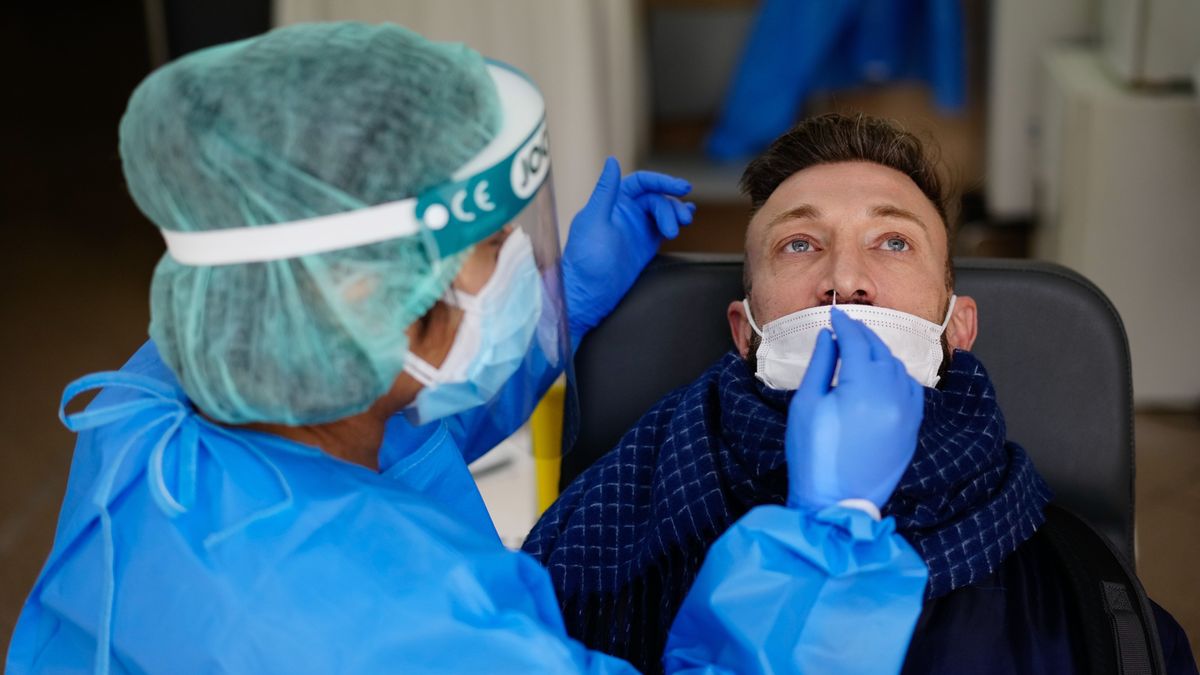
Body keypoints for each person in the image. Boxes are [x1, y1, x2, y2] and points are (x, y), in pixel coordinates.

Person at [9, 24, 936, 674]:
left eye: (893, 240)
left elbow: (386, 423)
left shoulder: (180, 393)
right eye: (500, 246)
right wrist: (830, 534)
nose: (845, 280)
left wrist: (560, 309)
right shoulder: (394, 632)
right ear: (373, 294)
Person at [524, 113, 1199, 675]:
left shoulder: (1095, 606)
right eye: (799, 244)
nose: (845, 281)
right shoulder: (609, 525)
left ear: (958, 327)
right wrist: (556, 311)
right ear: (745, 331)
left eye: (894, 241)